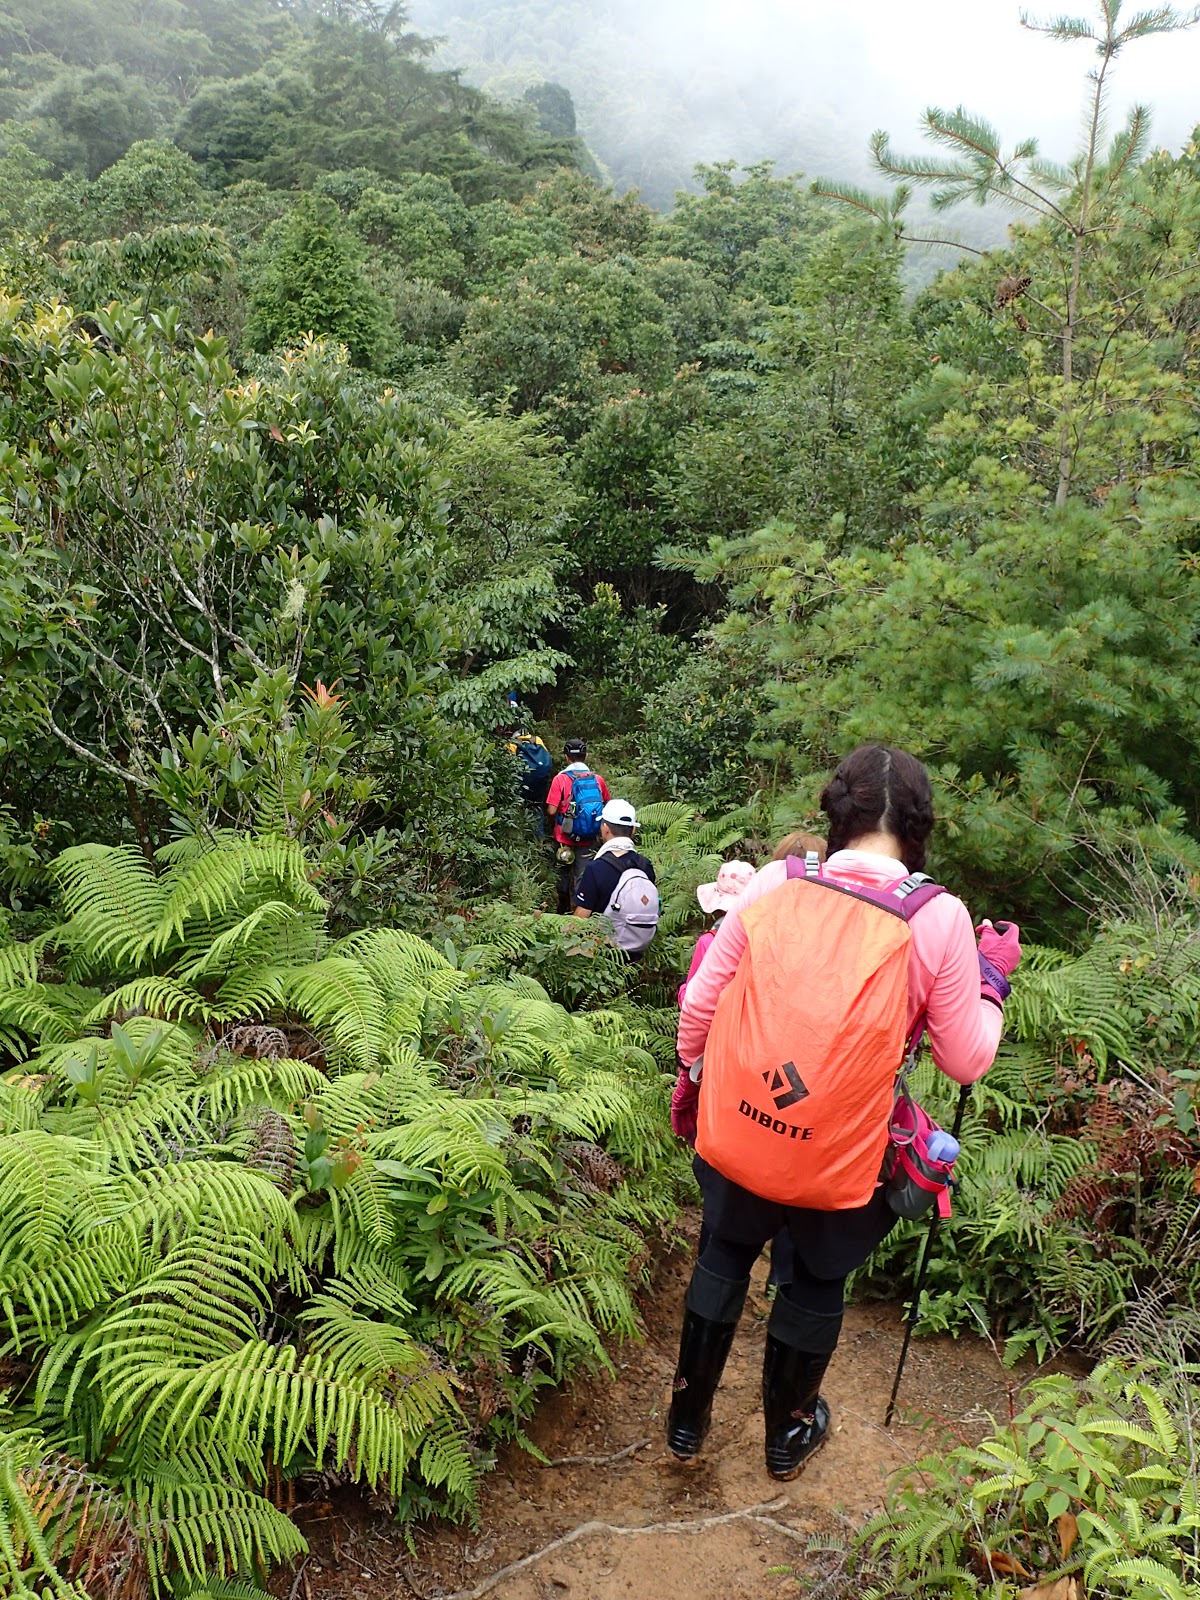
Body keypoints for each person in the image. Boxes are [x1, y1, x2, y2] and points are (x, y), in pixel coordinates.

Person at [666, 743, 1021, 1481]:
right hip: (843, 1146)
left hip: (745, 1116)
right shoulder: (940, 919)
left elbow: (701, 1001)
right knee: (816, 1279)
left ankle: (686, 1421)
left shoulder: (777, 883)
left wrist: (692, 1077)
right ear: (918, 825)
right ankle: (787, 1435)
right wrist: (990, 981)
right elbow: (965, 1060)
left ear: (836, 809)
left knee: (724, 1250)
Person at [572, 800, 659, 959]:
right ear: (633, 830)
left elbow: (581, 917)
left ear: (605, 828)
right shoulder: (645, 865)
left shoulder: (596, 868)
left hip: (603, 954)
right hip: (636, 951)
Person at [545, 739, 610, 913]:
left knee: (563, 873)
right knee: (583, 876)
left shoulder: (560, 779)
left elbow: (551, 810)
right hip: (589, 837)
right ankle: (580, 913)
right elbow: (606, 804)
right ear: (585, 756)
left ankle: (563, 908)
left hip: (564, 838)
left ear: (566, 757)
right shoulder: (597, 780)